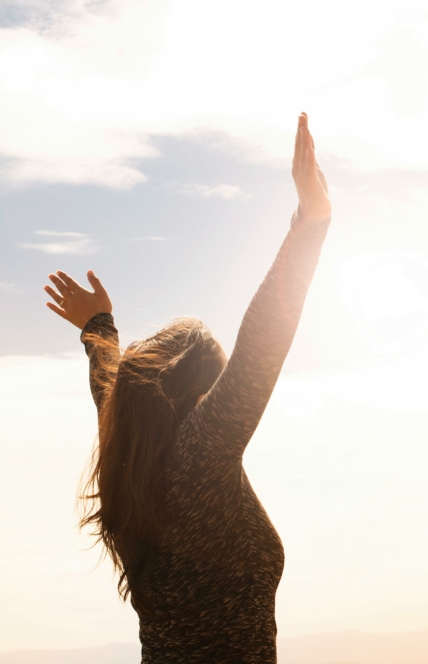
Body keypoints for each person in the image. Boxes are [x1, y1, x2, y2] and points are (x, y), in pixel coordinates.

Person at [42, 112, 331, 662]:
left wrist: (99, 330)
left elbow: (111, 393)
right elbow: (261, 347)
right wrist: (310, 221)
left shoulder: (131, 462)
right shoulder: (199, 459)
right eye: (218, 386)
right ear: (199, 391)